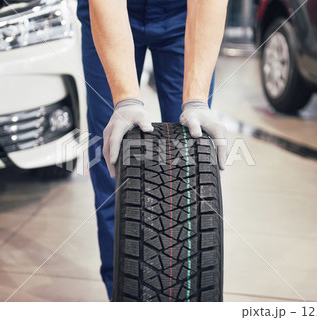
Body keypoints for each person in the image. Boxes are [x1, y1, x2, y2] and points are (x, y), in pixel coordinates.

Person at [76, 0, 228, 300]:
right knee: (115, 159)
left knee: (192, 159)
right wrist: (125, 101)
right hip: (111, 9)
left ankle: (192, 296)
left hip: (184, 14)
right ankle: (123, 296)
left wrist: (196, 100)